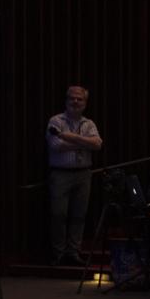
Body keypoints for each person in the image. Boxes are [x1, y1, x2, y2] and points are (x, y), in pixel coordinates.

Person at [46, 85, 102, 265]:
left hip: (84, 174)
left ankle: (74, 252)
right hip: (60, 174)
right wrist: (84, 143)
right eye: (72, 98)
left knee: (79, 215)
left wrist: (67, 137)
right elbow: (56, 145)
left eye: (80, 99)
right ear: (66, 100)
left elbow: (98, 145)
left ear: (85, 103)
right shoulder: (56, 121)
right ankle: (58, 253)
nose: (75, 102)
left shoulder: (89, 123)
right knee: (58, 215)